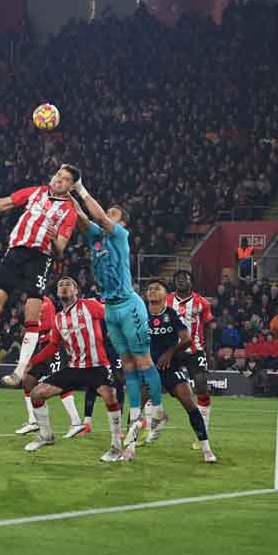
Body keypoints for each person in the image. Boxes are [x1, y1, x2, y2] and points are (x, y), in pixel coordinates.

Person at [0, 165, 79, 385]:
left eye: (65, 179)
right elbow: (0, 204)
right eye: (58, 175)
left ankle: (21, 370)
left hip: (39, 258)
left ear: (71, 186)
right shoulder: (36, 192)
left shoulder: (69, 211)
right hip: (14, 253)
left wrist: (52, 239)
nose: (59, 180)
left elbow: (61, 249)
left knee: (31, 314)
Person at [70, 181, 165, 456]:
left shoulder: (119, 235)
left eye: (113, 214)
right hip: (110, 307)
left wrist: (81, 188)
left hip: (129, 304)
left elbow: (96, 216)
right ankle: (136, 419)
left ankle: (157, 411)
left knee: (143, 361)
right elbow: (81, 217)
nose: (107, 216)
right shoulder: (95, 238)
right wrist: (65, 196)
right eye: (108, 213)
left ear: (121, 222)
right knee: (128, 367)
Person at [22, 276, 125, 462]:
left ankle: (117, 446)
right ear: (57, 292)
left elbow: (113, 317)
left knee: (110, 396)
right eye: (60, 284)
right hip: (74, 368)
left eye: (68, 284)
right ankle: (46, 435)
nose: (64, 287)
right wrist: (33, 361)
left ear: (76, 290)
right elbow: (54, 345)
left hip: (97, 366)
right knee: (37, 393)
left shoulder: (90, 306)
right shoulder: (58, 318)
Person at [143, 279, 217, 463]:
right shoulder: (141, 314)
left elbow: (188, 338)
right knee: (137, 403)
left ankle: (206, 447)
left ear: (164, 294)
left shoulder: (172, 314)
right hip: (150, 366)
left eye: (156, 288)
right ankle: (131, 443)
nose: (152, 291)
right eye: (149, 288)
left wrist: (169, 353)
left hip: (174, 362)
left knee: (191, 399)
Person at [14, 295, 94, 440]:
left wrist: (30, 327)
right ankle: (33, 421)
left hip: (52, 345)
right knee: (27, 381)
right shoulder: (33, 303)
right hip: (39, 345)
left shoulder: (45, 303)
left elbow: (46, 325)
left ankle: (76, 422)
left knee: (59, 382)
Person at [166, 270, 216, 450]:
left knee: (202, 385)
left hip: (195, 350)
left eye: (184, 279)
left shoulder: (202, 302)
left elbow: (209, 326)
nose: (180, 281)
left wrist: (209, 352)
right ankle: (149, 427)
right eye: (177, 279)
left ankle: (203, 431)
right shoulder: (166, 300)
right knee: (151, 386)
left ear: (191, 282)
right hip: (172, 351)